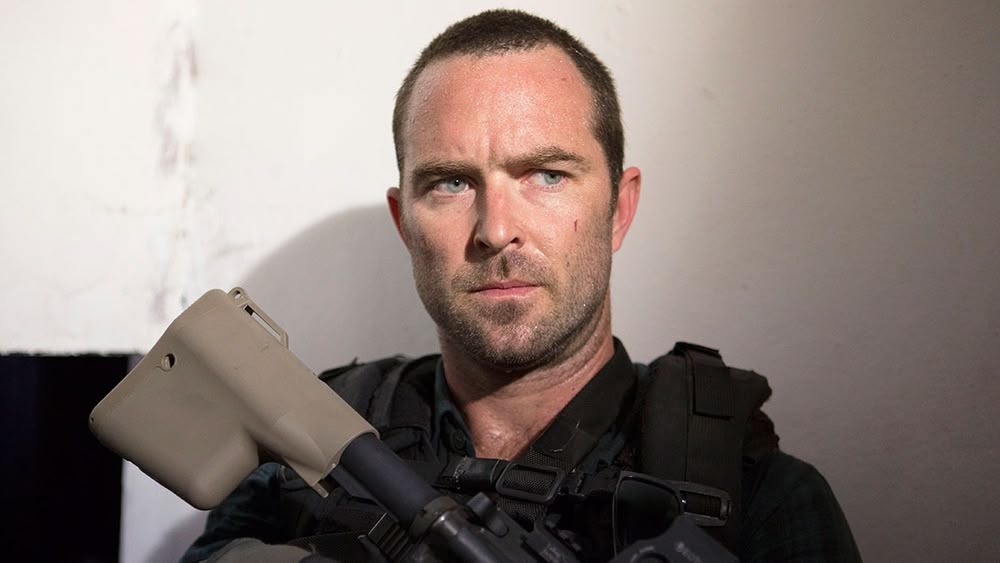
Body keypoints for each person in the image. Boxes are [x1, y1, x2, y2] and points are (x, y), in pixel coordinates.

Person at [182, 9, 860, 562]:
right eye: (451, 182)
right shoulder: (306, 456)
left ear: (619, 210)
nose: (496, 229)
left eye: (547, 175)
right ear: (405, 223)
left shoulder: (754, 495)